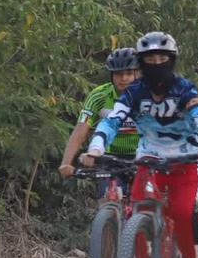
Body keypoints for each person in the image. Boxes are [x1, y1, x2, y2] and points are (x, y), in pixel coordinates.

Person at [82, 31, 198, 258]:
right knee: (136, 212)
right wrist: (96, 146)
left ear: (172, 60)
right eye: (150, 59)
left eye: (162, 58)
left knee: (181, 212)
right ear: (142, 62)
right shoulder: (134, 92)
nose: (156, 64)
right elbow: (113, 120)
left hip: (187, 159)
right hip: (149, 160)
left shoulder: (184, 88)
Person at [59, 48, 141, 182]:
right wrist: (66, 163)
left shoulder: (147, 96)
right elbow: (81, 129)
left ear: (137, 74)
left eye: (129, 73)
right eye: (118, 74)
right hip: (108, 156)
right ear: (111, 75)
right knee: (107, 196)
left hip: (141, 155)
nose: (124, 78)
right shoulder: (99, 95)